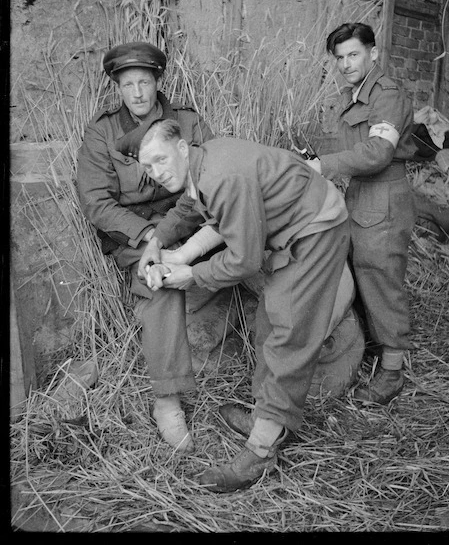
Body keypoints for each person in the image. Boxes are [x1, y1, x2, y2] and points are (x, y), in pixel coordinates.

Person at [135, 119, 350, 492]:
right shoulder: (202, 165)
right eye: (148, 168)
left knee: (289, 333)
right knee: (269, 322)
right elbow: (190, 206)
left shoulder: (222, 177)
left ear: (182, 148)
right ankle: (267, 417)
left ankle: (261, 452)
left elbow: (244, 261)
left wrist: (191, 274)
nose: (156, 172)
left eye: (160, 160)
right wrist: (158, 241)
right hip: (294, 230)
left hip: (317, 228)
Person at [76, 42, 214, 453]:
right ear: (117, 87)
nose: (137, 93)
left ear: (158, 82)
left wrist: (186, 232)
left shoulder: (186, 121)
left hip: (188, 219)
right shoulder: (102, 130)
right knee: (159, 278)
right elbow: (97, 202)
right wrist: (148, 239)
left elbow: (210, 176)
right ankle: (167, 401)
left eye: (145, 82)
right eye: (127, 84)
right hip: (134, 232)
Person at [309, 22, 417, 405]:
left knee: (380, 276)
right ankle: (370, 350)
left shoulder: (387, 94)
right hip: (358, 194)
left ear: (373, 53)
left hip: (384, 194)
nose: (345, 63)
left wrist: (324, 166)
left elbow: (378, 153)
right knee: (357, 271)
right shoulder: (350, 96)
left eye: (353, 54)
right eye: (339, 57)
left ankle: (391, 371)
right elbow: (341, 143)